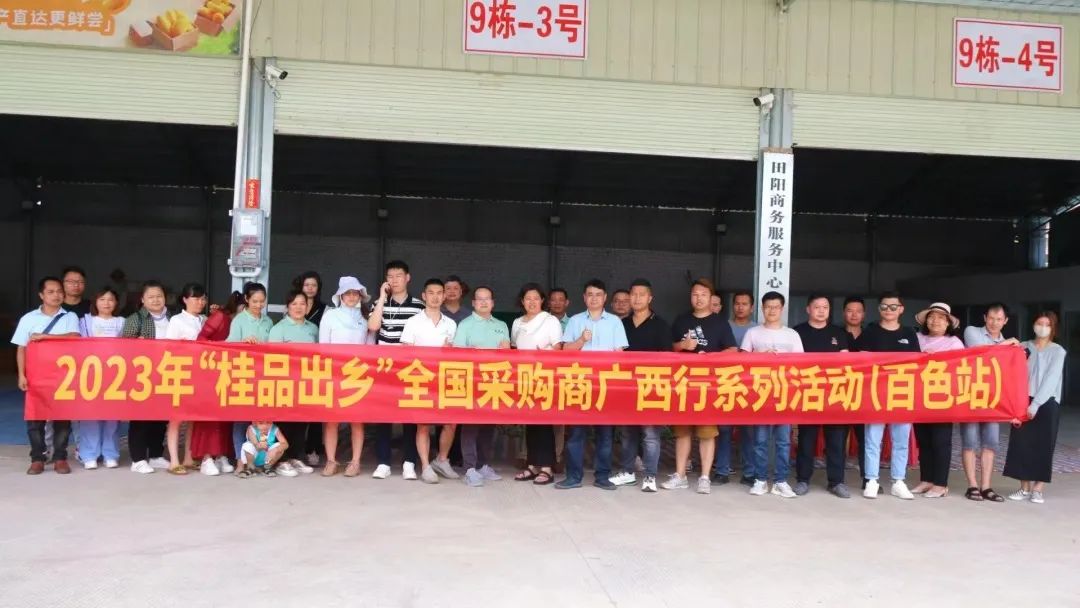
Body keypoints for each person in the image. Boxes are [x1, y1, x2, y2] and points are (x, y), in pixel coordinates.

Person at [664, 278, 737, 494]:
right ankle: (680, 475)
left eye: (703, 295)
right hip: (684, 383)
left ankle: (704, 477)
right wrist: (683, 345)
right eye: (695, 294)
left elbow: (732, 350)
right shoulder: (681, 320)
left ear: (711, 297)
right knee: (682, 431)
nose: (699, 298)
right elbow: (669, 348)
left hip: (708, 385)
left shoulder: (720, 323)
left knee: (707, 432)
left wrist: (711, 357)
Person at [556, 279, 628, 490]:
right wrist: (581, 341)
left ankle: (602, 477)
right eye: (590, 294)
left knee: (605, 434)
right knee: (576, 434)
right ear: (584, 298)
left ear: (605, 298)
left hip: (606, 384)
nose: (594, 298)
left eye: (598, 295)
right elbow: (565, 350)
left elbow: (620, 354)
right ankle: (573, 477)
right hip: (579, 383)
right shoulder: (575, 321)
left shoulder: (615, 322)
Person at [853, 291, 919, 500]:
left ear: (901, 309)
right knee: (873, 440)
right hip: (876, 393)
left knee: (901, 440)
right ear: (879, 308)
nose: (888, 310)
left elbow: (918, 363)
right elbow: (859, 361)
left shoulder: (909, 333)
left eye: (893, 306)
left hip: (902, 393)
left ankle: (898, 481)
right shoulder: (870, 332)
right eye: (884, 306)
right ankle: (871, 480)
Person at [14, 276, 81, 475]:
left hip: (63, 376)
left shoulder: (69, 317)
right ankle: (37, 458)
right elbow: (21, 348)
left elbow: (74, 338)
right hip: (36, 376)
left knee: (62, 419)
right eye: (51, 292)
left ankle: (60, 457)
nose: (56, 295)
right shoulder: (28, 319)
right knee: (35, 419)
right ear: (41, 295)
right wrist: (21, 375)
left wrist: (45, 337)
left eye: (59, 291)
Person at [741, 291, 803, 498]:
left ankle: (780, 481)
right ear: (762, 308)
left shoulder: (792, 335)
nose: (772, 310)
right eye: (768, 307)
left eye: (776, 307)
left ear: (782, 309)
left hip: (785, 393)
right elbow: (742, 361)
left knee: (784, 441)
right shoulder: (753, 333)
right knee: (760, 440)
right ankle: (760, 479)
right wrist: (761, 356)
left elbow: (801, 364)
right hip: (761, 393)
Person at [368, 260, 425, 479]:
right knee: (383, 414)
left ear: (407, 278)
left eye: (398, 276)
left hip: (410, 367)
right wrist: (382, 298)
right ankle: (383, 462)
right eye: (390, 276)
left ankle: (409, 462)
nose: (394, 280)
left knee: (410, 415)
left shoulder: (419, 306)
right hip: (384, 368)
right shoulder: (379, 303)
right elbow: (373, 326)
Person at [612, 279, 669, 492]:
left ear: (650, 298)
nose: (636, 298)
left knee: (650, 434)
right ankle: (627, 472)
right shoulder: (621, 324)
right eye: (633, 294)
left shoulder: (661, 325)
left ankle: (650, 476)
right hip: (627, 386)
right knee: (628, 432)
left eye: (641, 294)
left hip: (652, 386)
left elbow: (667, 358)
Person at [792, 294, 852, 498]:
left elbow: (845, 362)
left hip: (833, 393)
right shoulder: (797, 332)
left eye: (825, 307)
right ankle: (802, 479)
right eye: (817, 307)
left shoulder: (838, 333)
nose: (821, 311)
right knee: (806, 439)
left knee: (836, 440)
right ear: (808, 309)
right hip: (807, 392)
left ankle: (836, 482)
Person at [400, 278, 458, 484]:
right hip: (421, 378)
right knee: (423, 424)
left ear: (444, 296)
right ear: (424, 296)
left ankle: (441, 460)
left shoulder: (451, 323)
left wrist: (449, 352)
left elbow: (456, 355)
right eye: (431, 293)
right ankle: (425, 466)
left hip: (444, 378)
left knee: (451, 422)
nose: (435, 297)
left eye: (439, 293)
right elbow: (406, 352)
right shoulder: (413, 322)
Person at [1005, 312, 1066, 504]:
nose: (1043, 327)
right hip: (1022, 399)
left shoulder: (1058, 351)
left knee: (1044, 444)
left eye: (1047, 324)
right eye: (1039, 323)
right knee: (1021, 443)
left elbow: (1051, 379)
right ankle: (1024, 487)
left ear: (1053, 328)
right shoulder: (1023, 347)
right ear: (1033, 325)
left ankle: (1038, 489)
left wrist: (1035, 404)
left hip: (1047, 402)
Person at [960, 303, 1019, 502]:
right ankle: (972, 486)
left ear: (1005, 321)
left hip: (993, 400)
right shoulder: (971, 332)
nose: (994, 323)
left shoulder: (1010, 346)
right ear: (985, 317)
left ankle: (986, 486)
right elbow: (981, 352)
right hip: (970, 396)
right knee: (969, 442)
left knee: (991, 443)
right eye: (991, 318)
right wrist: (1007, 344)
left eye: (999, 319)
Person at [453, 286, 510, 487]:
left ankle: (483, 465)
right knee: (470, 426)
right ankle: (469, 468)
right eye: (480, 299)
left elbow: (507, 354)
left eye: (487, 299)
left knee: (488, 425)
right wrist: (469, 352)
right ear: (474, 303)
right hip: (471, 381)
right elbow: (456, 354)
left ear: (492, 303)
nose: (484, 302)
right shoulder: (465, 325)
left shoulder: (501, 325)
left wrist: (507, 350)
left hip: (494, 382)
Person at [319, 277, 372, 478]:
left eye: (354, 293)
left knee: (356, 420)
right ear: (340, 295)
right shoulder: (330, 316)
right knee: (332, 420)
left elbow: (370, 347)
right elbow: (323, 346)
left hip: (357, 374)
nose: (351, 297)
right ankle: (331, 460)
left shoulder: (365, 317)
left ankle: (355, 461)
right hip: (334, 372)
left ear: (360, 296)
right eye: (347, 293)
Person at [511, 284, 563, 486]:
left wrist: (544, 356)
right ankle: (532, 464)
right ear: (522, 301)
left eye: (536, 298)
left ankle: (547, 467)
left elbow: (558, 348)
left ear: (542, 301)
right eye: (527, 298)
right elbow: (514, 348)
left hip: (544, 376)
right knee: (529, 422)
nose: (531, 302)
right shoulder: (517, 322)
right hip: (524, 378)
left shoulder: (550, 321)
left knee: (544, 422)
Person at [912, 302, 965, 499]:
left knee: (940, 441)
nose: (936, 321)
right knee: (924, 441)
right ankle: (926, 479)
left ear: (948, 323)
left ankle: (941, 484)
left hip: (943, 398)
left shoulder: (954, 343)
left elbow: (961, 368)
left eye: (941, 318)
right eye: (932, 317)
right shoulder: (917, 339)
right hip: (918, 396)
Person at [122, 280, 173, 474]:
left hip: (167, 372)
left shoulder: (173, 318)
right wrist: (137, 343)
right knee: (141, 418)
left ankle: (156, 455)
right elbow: (124, 346)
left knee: (161, 418)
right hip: (142, 376)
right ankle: (138, 459)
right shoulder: (135, 319)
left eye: (159, 296)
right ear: (142, 300)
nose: (156, 300)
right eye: (151, 297)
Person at [268, 289, 320, 478]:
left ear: (308, 307)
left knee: (301, 421)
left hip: (306, 382)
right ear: (287, 307)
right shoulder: (278, 329)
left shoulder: (312, 328)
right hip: (284, 382)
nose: (298, 307)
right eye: (294, 304)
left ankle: (296, 456)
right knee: (284, 422)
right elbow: (272, 359)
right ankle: (281, 459)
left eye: (302, 304)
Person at [190, 290, 243, 476]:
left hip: (231, 372)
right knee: (210, 417)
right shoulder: (220, 316)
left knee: (225, 418)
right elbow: (201, 339)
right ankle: (206, 458)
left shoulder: (240, 322)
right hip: (211, 370)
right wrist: (218, 351)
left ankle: (220, 454)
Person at [162, 283, 209, 475]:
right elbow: (169, 348)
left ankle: (188, 457)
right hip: (181, 372)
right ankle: (174, 461)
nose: (200, 302)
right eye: (196, 298)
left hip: (201, 374)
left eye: (203, 298)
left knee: (192, 418)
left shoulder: (205, 320)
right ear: (185, 299)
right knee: (176, 418)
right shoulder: (176, 321)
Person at [76, 287, 125, 470]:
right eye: (102, 299)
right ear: (95, 302)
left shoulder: (122, 322)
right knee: (90, 415)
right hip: (91, 374)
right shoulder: (85, 321)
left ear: (116, 303)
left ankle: (110, 454)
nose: (106, 303)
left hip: (115, 376)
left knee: (112, 416)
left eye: (110, 299)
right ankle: (89, 454)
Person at [226, 282, 274, 466]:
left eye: (262, 301)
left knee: (261, 420)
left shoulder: (268, 321)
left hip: (263, 375)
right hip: (243, 374)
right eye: (255, 301)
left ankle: (259, 459)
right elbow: (228, 347)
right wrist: (243, 342)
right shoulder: (239, 320)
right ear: (246, 299)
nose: (259, 305)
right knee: (241, 419)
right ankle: (240, 460)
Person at [727, 290, 758, 486]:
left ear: (752, 307)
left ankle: (749, 472)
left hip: (750, 387)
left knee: (748, 432)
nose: (740, 307)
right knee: (724, 430)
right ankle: (721, 470)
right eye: (737, 303)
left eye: (744, 304)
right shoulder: (725, 326)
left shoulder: (757, 330)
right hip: (726, 384)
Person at [842, 295, 868, 482]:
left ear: (864, 314)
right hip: (840, 393)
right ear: (844, 313)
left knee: (866, 439)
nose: (854, 314)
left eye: (858, 311)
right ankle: (837, 480)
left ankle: (868, 478)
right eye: (850, 311)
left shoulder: (872, 335)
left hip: (866, 395)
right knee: (837, 439)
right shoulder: (836, 334)